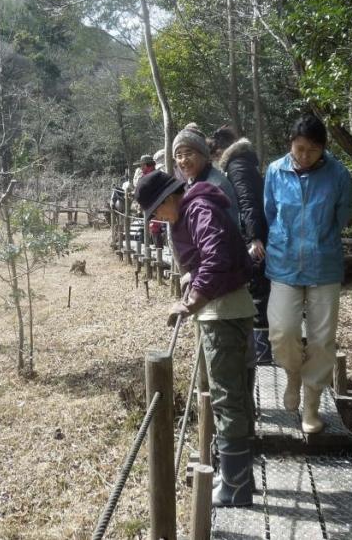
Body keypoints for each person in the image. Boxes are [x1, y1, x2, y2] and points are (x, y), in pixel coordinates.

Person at [135, 170, 257, 507]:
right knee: (232, 394)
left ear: (168, 199)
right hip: (224, 309)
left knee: (227, 397)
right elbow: (208, 257)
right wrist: (192, 277)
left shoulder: (199, 209)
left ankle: (236, 487)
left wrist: (189, 302)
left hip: (224, 313)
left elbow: (217, 258)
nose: (157, 218)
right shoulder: (191, 211)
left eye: (157, 210)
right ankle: (237, 475)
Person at [263, 114, 352, 433]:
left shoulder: (339, 174)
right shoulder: (275, 171)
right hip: (283, 263)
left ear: (323, 149)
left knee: (321, 338)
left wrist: (319, 239)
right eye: (299, 149)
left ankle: (312, 406)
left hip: (324, 264)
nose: (304, 157)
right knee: (283, 329)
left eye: (312, 151)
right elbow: (270, 212)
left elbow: (342, 216)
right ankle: (291, 374)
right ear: (290, 144)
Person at [208, 126, 272, 364]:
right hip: (259, 235)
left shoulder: (236, 167)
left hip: (256, 239)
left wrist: (254, 237)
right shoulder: (246, 162)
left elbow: (247, 202)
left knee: (258, 294)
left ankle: (263, 357)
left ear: (221, 150)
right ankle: (263, 353)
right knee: (261, 293)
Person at [172, 123, 240, 227]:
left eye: (188, 154)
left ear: (203, 154)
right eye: (179, 155)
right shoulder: (193, 181)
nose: (183, 160)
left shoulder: (214, 186)